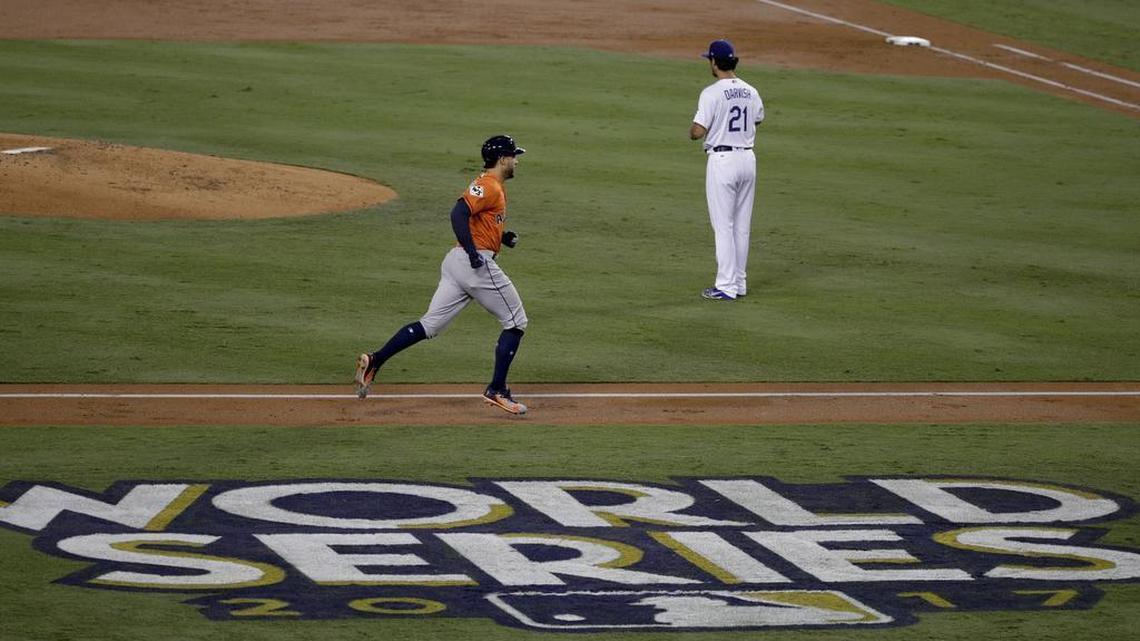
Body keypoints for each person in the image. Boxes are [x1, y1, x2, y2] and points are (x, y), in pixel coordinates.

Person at [354, 135, 529, 414]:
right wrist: (474, 252)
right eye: (513, 156)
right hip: (474, 265)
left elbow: (476, 220)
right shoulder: (489, 185)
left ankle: (375, 360)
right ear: (502, 159)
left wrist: (501, 236)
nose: (516, 161)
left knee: (430, 325)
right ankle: (497, 389)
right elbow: (457, 214)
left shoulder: (490, 185)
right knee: (516, 321)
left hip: (456, 265)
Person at [690, 38, 765, 301]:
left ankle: (725, 286)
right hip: (748, 160)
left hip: (723, 163)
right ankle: (739, 283)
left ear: (713, 62)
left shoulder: (711, 93)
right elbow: (757, 118)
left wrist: (709, 126)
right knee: (741, 227)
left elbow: (696, 132)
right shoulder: (751, 90)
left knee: (724, 227)